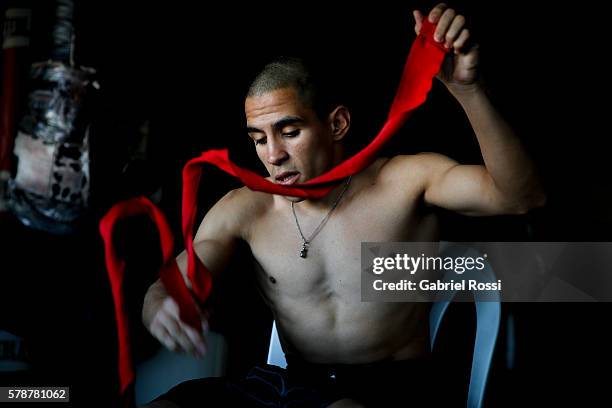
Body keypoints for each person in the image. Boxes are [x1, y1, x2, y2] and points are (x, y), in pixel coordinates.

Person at [142, 4, 545, 407]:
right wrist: (163, 304)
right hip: (286, 387)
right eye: (259, 139)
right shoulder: (247, 208)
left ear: (336, 125)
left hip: (390, 390)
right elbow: (178, 280)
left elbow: (521, 198)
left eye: (289, 131)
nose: (273, 155)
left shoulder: (405, 181)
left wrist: (468, 90)